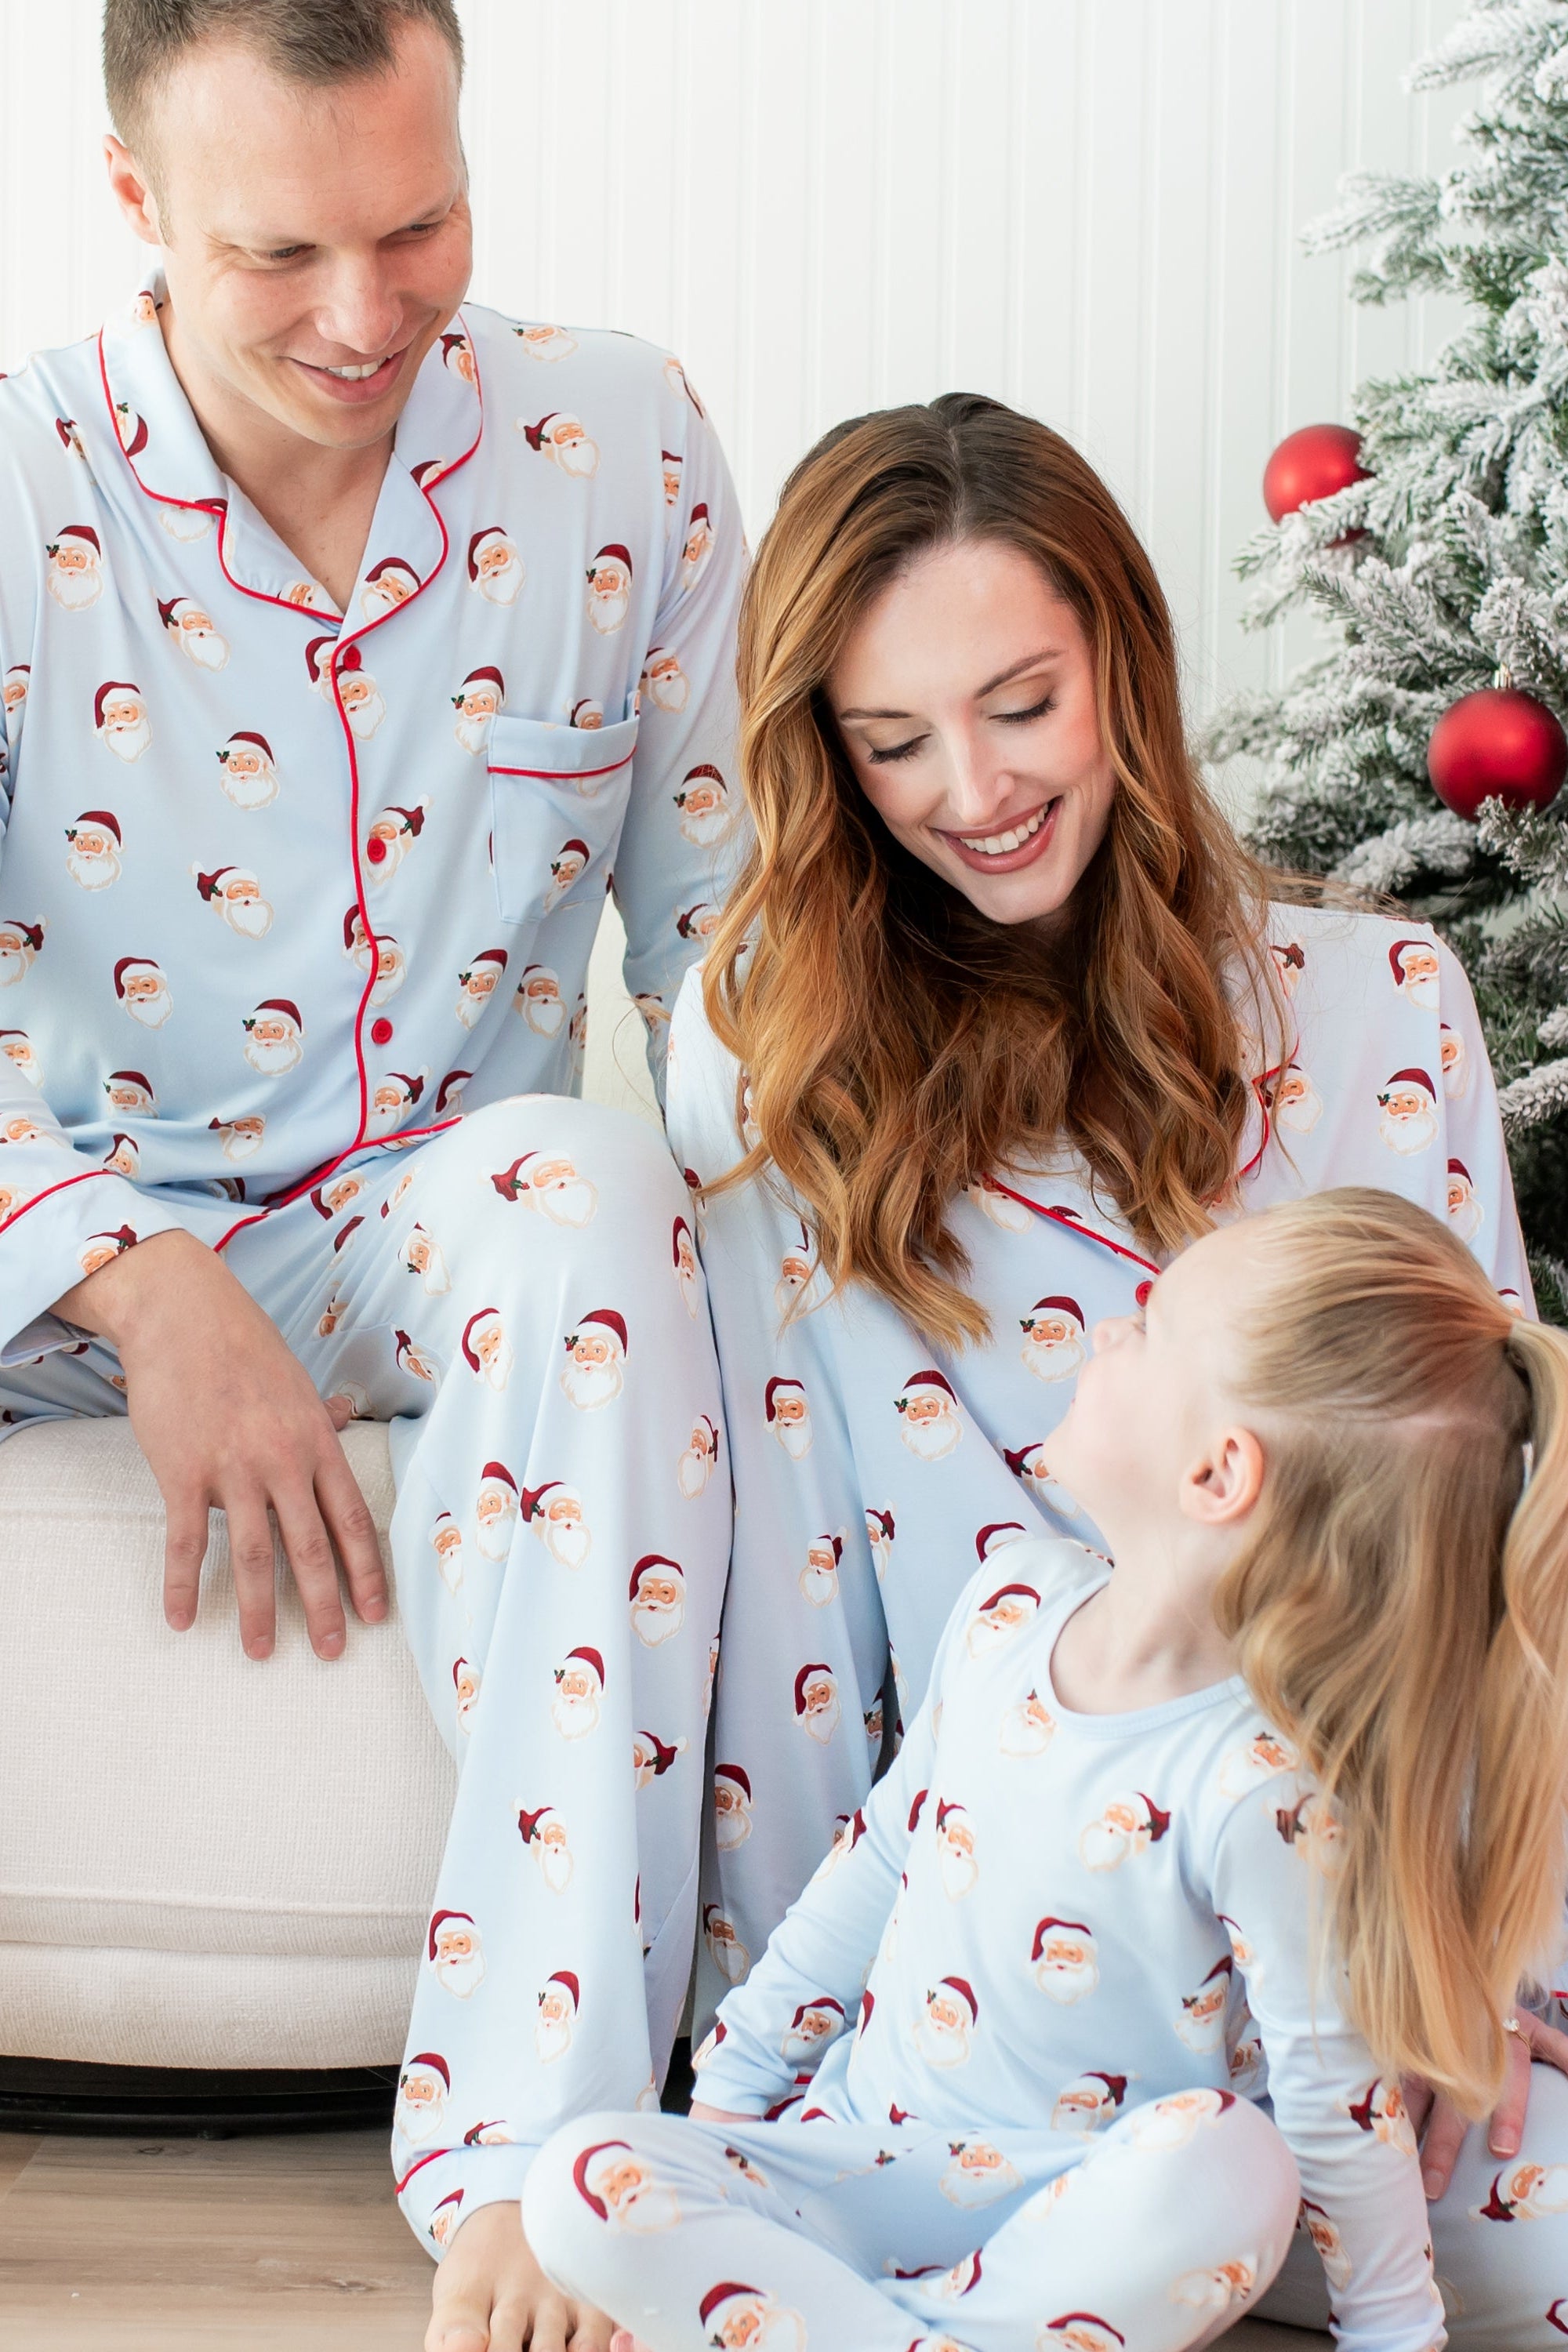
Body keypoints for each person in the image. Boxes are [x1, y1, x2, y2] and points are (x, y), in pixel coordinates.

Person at [664, 394, 1568, 2343]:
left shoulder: (1381, 1007)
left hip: (1341, 1983)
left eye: (1020, 703)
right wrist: (759, 2085)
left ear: (1125, 673)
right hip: (978, 2021)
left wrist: (1464, 1996)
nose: (972, 788)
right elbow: (792, 1586)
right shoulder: (772, 1054)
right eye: (892, 740)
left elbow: (1486, 1576)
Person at [0, 5, 746, 2345]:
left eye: (417, 226)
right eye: (279, 252)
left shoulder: (617, 444)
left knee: (596, 1193)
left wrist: (855, 1209)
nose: (362, 315)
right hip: (62, 1230)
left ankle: (540, 2154)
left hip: (444, 1236)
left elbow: (731, 947)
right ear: (135, 208)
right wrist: (129, 1275)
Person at [522, 1188, 1568, 2352]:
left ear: (1219, 1476)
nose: (1113, 1326)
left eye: (1155, 1327)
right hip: (861, 2166)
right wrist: (731, 2099)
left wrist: (1393, 2333)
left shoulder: (1263, 1791)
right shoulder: (1008, 1603)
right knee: (576, 2180)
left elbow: (1335, 2105)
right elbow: (881, 1862)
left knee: (1239, 2166)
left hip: (1087, 2221)